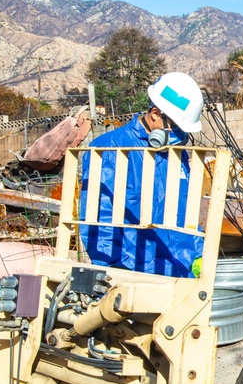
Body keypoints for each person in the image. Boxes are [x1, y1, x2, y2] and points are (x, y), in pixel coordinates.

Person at [79, 72, 205, 277]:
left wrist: (198, 254)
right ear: (155, 113)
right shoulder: (111, 149)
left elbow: (187, 210)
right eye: (176, 127)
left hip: (181, 270)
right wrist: (113, 272)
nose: (180, 137)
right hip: (135, 272)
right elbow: (99, 219)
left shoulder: (175, 154)